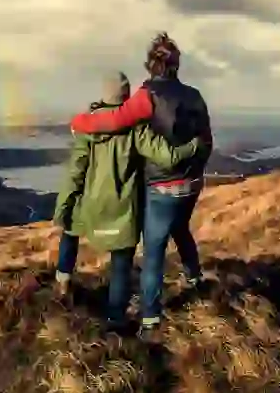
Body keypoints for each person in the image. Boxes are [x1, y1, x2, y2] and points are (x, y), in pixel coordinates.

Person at [69, 33, 213, 338]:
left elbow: (115, 121)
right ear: (176, 64)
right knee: (182, 227)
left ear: (150, 65)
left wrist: (80, 123)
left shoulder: (147, 96)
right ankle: (195, 277)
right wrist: (195, 170)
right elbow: (206, 140)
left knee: (153, 252)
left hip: (161, 187)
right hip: (192, 184)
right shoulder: (196, 95)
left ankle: (150, 317)